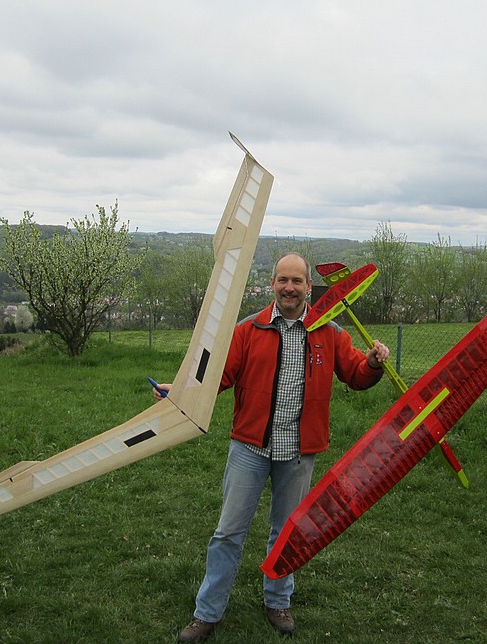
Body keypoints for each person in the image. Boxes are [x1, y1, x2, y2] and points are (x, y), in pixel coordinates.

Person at [156, 252, 390, 642]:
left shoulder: (330, 332)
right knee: (228, 532)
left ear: (309, 287)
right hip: (250, 448)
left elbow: (356, 374)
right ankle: (207, 613)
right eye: (283, 280)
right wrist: (180, 391)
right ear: (272, 284)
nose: (289, 288)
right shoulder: (249, 329)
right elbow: (219, 377)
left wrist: (373, 364)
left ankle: (277, 601)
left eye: (297, 281)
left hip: (299, 452)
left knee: (286, 533)